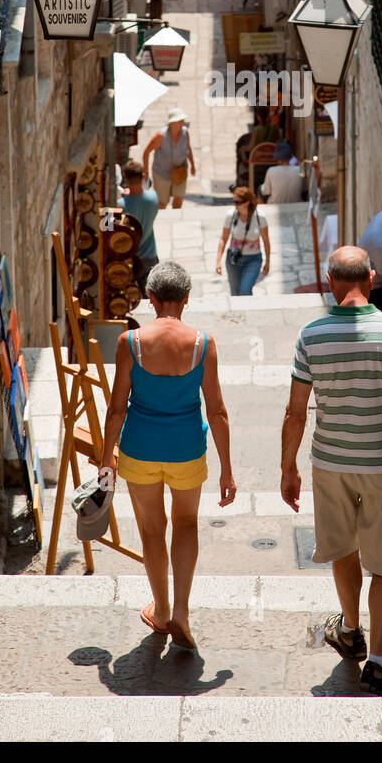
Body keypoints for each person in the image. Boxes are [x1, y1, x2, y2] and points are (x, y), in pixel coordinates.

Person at [280, 245, 382, 695]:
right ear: (372, 279)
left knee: (344, 548)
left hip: (330, 462)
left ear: (330, 282)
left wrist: (287, 468)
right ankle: (378, 663)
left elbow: (295, 413)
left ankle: (350, 629)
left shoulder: (311, 336)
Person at [101, 262, 236, 650]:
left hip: (140, 449)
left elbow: (116, 408)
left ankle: (160, 610)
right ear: (187, 299)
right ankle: (181, 610)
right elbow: (218, 410)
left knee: (151, 529)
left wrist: (107, 457)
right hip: (187, 450)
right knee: (187, 524)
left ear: (151, 299)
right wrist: (227, 469)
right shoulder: (203, 344)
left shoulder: (130, 343)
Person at [215, 186, 270, 296]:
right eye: (234, 201)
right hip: (233, 259)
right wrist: (218, 261)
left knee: (245, 291)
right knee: (235, 294)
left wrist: (268, 261)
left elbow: (266, 241)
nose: (234, 205)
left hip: (253, 259)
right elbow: (223, 239)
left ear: (247, 203)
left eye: (237, 202)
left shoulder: (260, 217)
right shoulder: (231, 215)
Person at [142, 109, 196, 210]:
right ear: (172, 123)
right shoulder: (160, 136)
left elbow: (188, 149)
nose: (182, 123)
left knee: (178, 200)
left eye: (182, 121)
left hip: (180, 171)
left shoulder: (185, 133)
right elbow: (146, 152)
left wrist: (193, 165)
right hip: (162, 174)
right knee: (162, 203)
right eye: (179, 121)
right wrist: (146, 171)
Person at [120, 159, 159, 295]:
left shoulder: (120, 205)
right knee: (152, 296)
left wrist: (124, 197)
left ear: (125, 179)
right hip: (150, 256)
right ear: (143, 176)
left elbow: (108, 225)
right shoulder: (153, 199)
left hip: (130, 258)